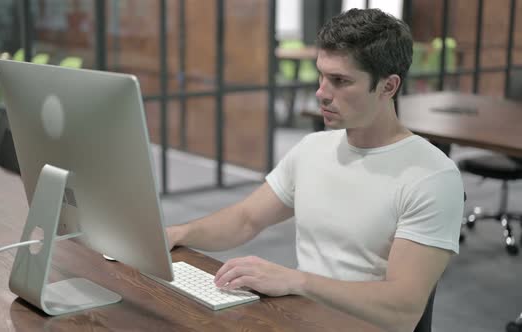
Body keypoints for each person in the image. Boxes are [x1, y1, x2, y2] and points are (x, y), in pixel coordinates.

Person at [166, 8, 463, 332]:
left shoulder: (431, 177)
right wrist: (175, 234)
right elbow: (246, 219)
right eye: (321, 75)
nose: (321, 92)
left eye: (340, 81)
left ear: (388, 86)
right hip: (298, 319)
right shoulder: (313, 149)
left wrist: (297, 280)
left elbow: (402, 308)